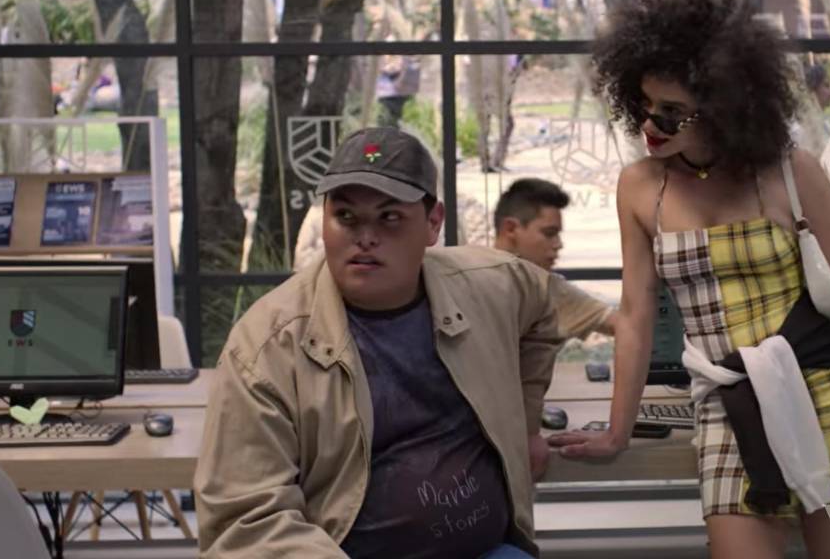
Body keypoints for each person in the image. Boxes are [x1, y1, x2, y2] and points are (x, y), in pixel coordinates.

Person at [548, 0, 830, 558]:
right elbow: (636, 317)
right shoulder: (640, 187)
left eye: (672, 113)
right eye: (644, 106)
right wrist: (617, 429)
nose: (650, 126)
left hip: (822, 390)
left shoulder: (791, 170)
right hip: (726, 402)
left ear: (723, 105)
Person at [195, 128, 560, 559]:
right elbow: (245, 520)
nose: (365, 236)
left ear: (433, 223)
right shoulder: (267, 346)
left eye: (389, 217)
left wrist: (526, 425)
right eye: (346, 216)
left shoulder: (488, 285)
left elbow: (543, 308)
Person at [492, 178, 618, 477]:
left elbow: (627, 328)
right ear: (511, 229)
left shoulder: (551, 289)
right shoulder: (471, 284)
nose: (558, 244)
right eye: (549, 233)